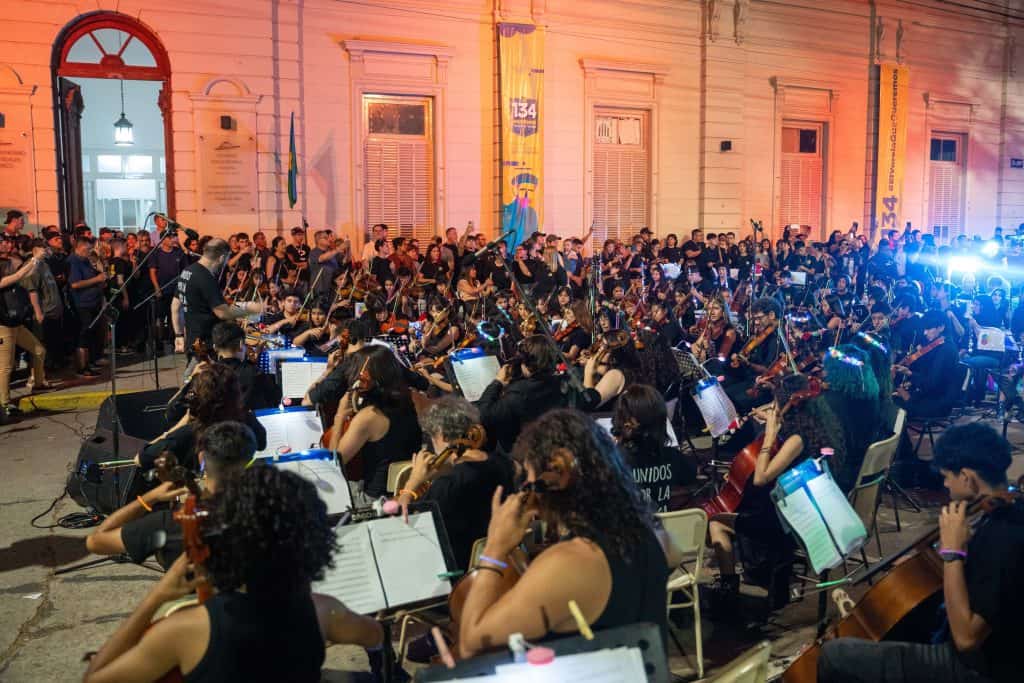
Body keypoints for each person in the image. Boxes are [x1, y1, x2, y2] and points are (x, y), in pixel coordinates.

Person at [83, 465, 386, 683]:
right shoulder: (323, 609)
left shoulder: (184, 630)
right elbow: (375, 634)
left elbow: (95, 679)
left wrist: (157, 596)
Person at [456, 409, 683, 657]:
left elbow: (471, 642)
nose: (527, 489)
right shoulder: (657, 536)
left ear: (556, 474)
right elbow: (672, 560)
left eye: (529, 477)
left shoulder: (569, 562)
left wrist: (494, 548)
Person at [818, 422, 1024, 683]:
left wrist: (951, 554)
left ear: (967, 477)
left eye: (947, 476)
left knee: (834, 655)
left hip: (977, 668)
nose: (946, 485)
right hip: (976, 650)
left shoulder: (1005, 536)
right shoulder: (1001, 509)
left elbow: (966, 639)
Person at [708, 373, 846, 613]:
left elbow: (762, 477)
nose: (773, 408)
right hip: (807, 508)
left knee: (717, 523)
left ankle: (728, 590)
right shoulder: (817, 426)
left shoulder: (796, 440)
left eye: (775, 403)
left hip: (789, 523)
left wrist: (769, 435)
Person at [85, 421, 257, 569]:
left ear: (201, 458)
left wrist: (149, 498)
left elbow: (95, 541)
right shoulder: (266, 509)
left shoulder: (169, 524)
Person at [395, 397, 514, 571]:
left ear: (441, 435)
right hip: (500, 561)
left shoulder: (448, 486)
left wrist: (413, 482)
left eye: (432, 438)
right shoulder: (504, 464)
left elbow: (401, 524)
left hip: (457, 569)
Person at [326, 344, 422, 502]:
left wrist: (338, 418)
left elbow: (334, 465)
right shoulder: (413, 397)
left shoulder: (368, 417)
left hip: (375, 499)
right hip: (409, 490)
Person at [138, 363, 266, 474]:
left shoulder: (188, 434)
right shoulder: (246, 420)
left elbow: (140, 459)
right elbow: (262, 444)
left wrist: (181, 423)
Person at [171, 238, 263, 362]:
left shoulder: (187, 271)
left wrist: (179, 335)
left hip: (192, 339)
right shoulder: (206, 277)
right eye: (226, 259)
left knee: (195, 375)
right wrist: (251, 309)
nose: (225, 264)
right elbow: (222, 313)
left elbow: (175, 307)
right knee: (208, 377)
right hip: (207, 343)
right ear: (221, 258)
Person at [478, 334, 571, 454]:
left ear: (526, 363)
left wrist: (498, 382)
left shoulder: (519, 393)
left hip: (519, 453)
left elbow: (484, 415)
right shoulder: (561, 383)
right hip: (547, 447)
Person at [613, 384, 697, 512]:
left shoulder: (614, 460)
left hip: (629, 530)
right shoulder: (673, 457)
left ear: (626, 424)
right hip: (663, 529)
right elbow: (691, 474)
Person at [68, 236, 107, 377]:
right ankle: (82, 367)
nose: (90, 251)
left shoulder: (86, 261)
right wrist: (96, 280)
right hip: (82, 304)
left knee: (91, 334)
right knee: (83, 335)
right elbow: (75, 284)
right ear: (79, 247)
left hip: (93, 302)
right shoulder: (74, 262)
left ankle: (90, 362)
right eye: (88, 248)